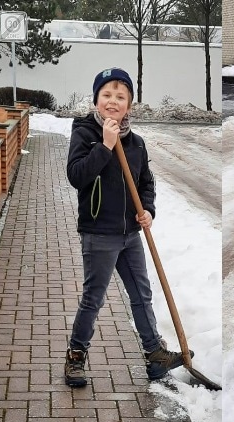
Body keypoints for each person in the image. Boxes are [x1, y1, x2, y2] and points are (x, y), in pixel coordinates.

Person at [65, 67, 191, 387]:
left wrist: (147, 209)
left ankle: (154, 355)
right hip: (99, 234)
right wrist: (105, 146)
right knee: (94, 298)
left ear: (129, 106)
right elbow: (77, 176)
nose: (113, 101)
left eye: (121, 97)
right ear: (96, 100)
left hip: (130, 234)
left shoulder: (136, 143)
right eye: (106, 94)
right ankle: (76, 356)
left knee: (141, 294)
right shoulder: (84, 133)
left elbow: (145, 183)